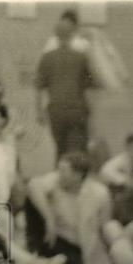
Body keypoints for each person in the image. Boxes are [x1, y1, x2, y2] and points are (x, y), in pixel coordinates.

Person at [26, 151, 112, 264]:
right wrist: (49, 218)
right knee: (32, 201)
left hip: (76, 242)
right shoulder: (56, 179)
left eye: (64, 171)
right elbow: (33, 185)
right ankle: (33, 252)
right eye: (59, 169)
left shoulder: (100, 194)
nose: (59, 174)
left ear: (77, 175)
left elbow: (105, 226)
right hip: (53, 234)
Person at [35, 9, 95, 156]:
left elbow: (38, 87)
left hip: (56, 110)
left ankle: (61, 174)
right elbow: (89, 86)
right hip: (77, 110)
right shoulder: (81, 56)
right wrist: (90, 110)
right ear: (72, 34)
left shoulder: (47, 57)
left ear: (56, 35)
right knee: (78, 153)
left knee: (61, 151)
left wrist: (39, 112)